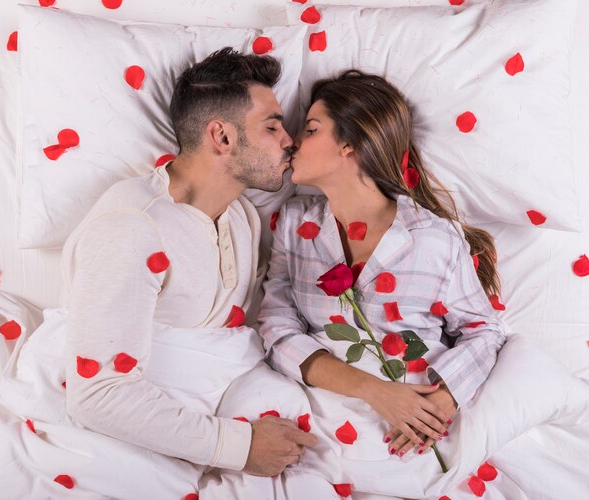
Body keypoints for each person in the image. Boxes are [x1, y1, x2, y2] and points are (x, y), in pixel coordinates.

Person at [61, 47, 317, 479]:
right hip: (121, 440)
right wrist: (240, 447)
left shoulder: (242, 219)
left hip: (214, 407)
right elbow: (96, 395)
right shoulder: (133, 225)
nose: (290, 140)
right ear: (222, 137)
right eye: (272, 127)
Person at [258, 69, 507, 460]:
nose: (292, 142)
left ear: (349, 145)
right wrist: (374, 391)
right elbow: (276, 327)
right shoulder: (294, 224)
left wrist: (445, 400)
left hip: (417, 431)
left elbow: (485, 330)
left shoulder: (434, 238)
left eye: (311, 129)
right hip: (326, 421)